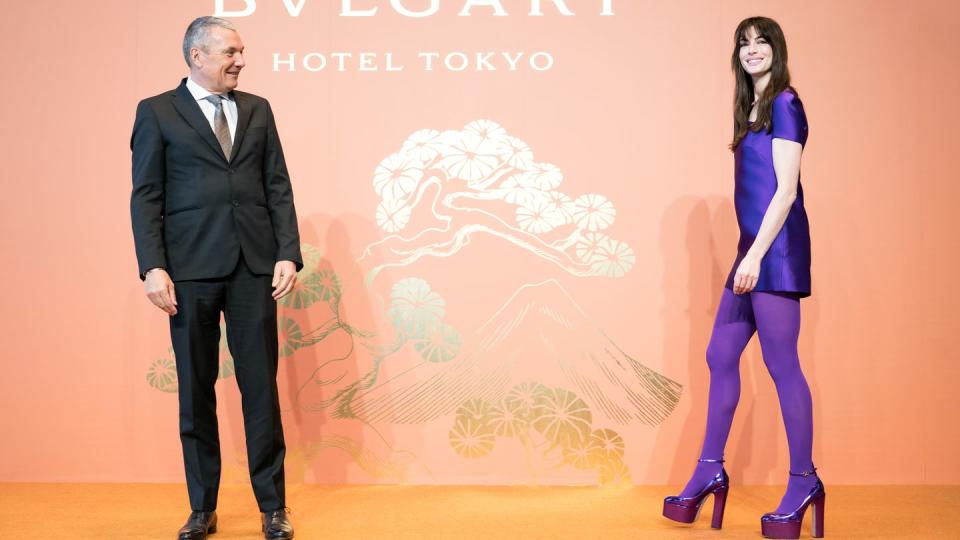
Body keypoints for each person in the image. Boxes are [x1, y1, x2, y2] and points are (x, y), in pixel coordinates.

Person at [130, 16, 301, 540]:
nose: (240, 61)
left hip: (254, 268)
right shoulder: (157, 112)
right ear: (197, 56)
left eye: (242, 51)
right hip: (189, 273)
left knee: (260, 392)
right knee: (195, 394)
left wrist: (288, 253)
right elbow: (146, 196)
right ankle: (202, 509)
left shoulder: (257, 109)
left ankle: (273, 508)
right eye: (230, 51)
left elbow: (278, 185)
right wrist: (153, 266)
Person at [661, 16, 825, 540]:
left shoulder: (784, 103)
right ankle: (710, 468)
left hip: (773, 254)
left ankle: (803, 481)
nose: (752, 50)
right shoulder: (750, 109)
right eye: (744, 43)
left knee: (782, 365)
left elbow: (784, 192)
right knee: (719, 355)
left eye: (761, 42)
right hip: (750, 252)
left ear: (777, 49)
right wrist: (745, 254)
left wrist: (754, 256)